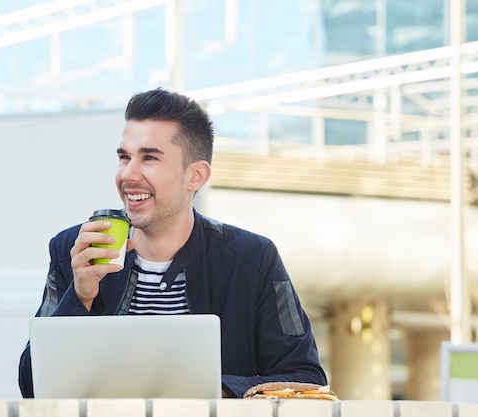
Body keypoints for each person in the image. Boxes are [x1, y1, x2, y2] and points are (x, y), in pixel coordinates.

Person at [18, 88, 327, 398]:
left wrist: (214, 393)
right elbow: (32, 388)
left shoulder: (253, 259)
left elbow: (306, 378)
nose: (128, 173)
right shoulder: (73, 250)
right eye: (124, 157)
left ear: (196, 176)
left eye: (149, 158)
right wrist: (81, 296)